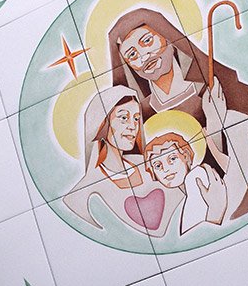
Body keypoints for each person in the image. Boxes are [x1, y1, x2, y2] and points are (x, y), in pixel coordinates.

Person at [108, 8, 248, 218]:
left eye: (147, 41)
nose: (143, 56)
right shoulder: (138, 119)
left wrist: (218, 123)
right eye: (131, 54)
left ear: (167, 37)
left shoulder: (217, 88)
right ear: (128, 65)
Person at [63, 86, 183, 238]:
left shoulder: (149, 164)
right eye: (124, 118)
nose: (133, 126)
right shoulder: (82, 192)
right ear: (102, 123)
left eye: (136, 119)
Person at [144, 132, 227, 235]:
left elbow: (197, 236)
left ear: (186, 156)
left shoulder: (195, 178)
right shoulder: (183, 198)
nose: (165, 169)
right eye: (157, 165)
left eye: (172, 159)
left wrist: (215, 211)